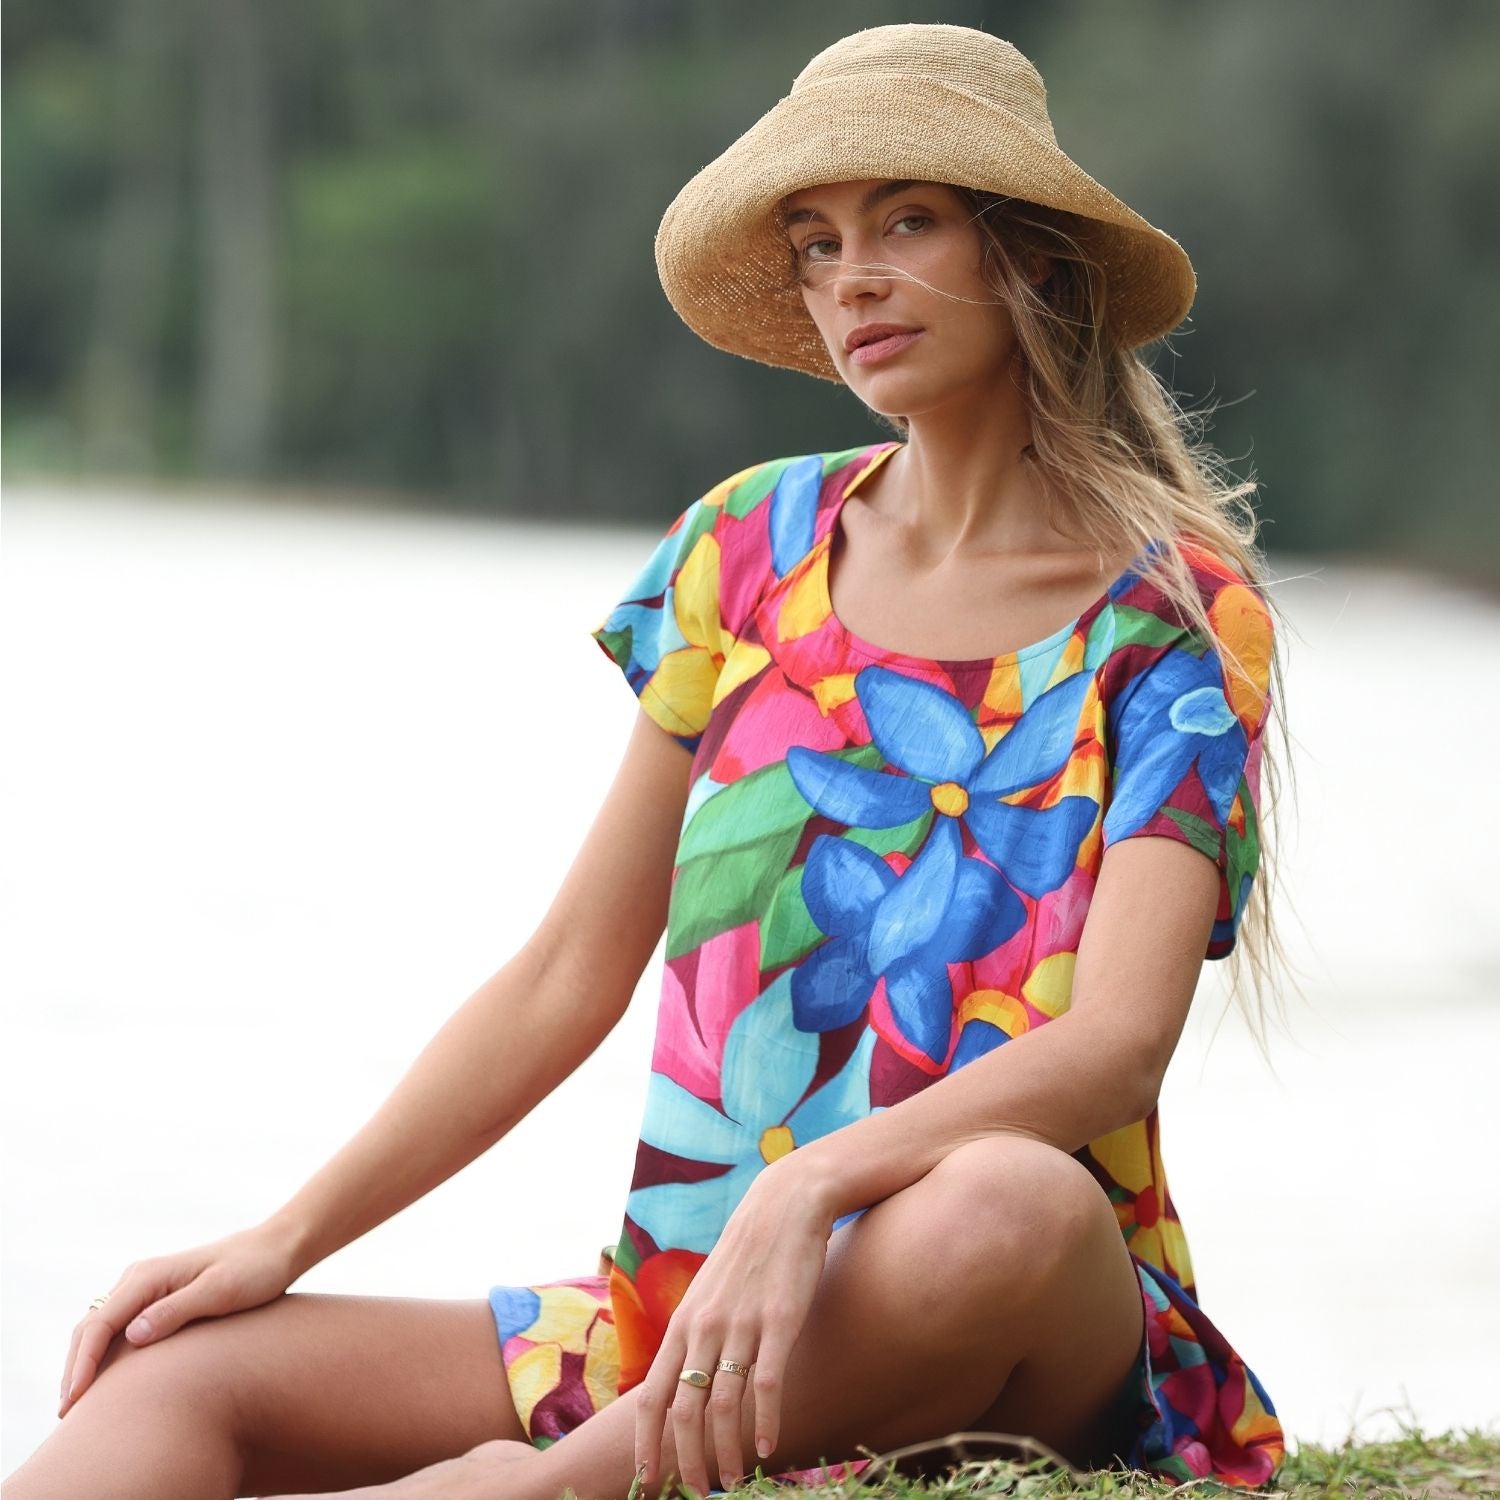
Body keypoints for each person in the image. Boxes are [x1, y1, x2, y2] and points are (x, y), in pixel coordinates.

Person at [6, 22, 1296, 1500]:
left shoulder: (1174, 616)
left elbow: (1116, 1041)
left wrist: (818, 1182)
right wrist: (283, 1239)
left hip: (1015, 1325)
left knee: (1006, 1200)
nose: (850, 279)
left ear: (1037, 262)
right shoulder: (745, 547)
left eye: (908, 224)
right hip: (696, 1315)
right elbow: (570, 967)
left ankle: (552, 1492)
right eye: (814, 246)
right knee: (175, 1375)